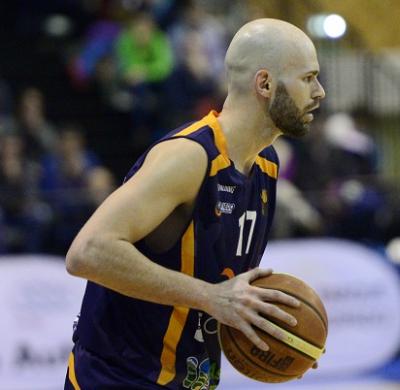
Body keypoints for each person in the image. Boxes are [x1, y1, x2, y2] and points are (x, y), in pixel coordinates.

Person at [64, 18, 325, 389]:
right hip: (117, 379)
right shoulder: (189, 157)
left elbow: (221, 292)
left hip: (189, 381)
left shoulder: (266, 165)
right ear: (265, 84)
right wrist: (211, 298)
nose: (320, 91)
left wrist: (286, 341)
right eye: (308, 77)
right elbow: (87, 252)